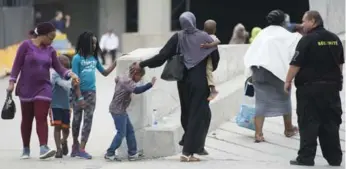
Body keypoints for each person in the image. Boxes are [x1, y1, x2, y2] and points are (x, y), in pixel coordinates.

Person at [134, 12, 220, 162]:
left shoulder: (178, 37)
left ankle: (191, 145)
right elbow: (215, 60)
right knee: (198, 114)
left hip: (183, 81)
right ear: (194, 21)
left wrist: (142, 64)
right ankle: (188, 151)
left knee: (187, 112)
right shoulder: (205, 37)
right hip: (200, 82)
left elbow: (161, 57)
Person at [6, 22, 78, 159]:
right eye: (51, 37)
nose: (52, 40)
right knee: (27, 119)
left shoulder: (50, 50)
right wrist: (12, 82)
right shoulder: (25, 46)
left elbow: (59, 68)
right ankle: (26, 149)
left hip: (44, 87)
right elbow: (16, 65)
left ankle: (43, 147)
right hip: (26, 87)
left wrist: (70, 74)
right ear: (43, 34)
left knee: (41, 116)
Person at [285, 10, 344, 166]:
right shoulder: (334, 39)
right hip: (331, 89)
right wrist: (339, 81)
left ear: (312, 21)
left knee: (308, 123)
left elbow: (296, 63)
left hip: (309, 90)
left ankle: (306, 157)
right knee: (331, 123)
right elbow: (340, 64)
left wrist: (287, 81)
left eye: (304, 21)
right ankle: (334, 158)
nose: (302, 24)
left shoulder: (307, 40)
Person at [243, 10, 302, 142]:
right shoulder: (287, 35)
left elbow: (251, 52)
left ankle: (258, 134)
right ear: (283, 21)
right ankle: (288, 129)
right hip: (279, 73)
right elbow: (296, 47)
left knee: (261, 101)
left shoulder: (262, 34)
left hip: (259, 71)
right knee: (285, 98)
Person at [71, 31, 117, 159]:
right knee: (76, 120)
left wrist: (116, 62)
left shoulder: (94, 59)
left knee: (88, 120)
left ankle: (82, 148)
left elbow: (105, 72)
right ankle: (75, 144)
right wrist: (79, 97)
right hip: (78, 93)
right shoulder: (76, 59)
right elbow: (75, 80)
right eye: (92, 43)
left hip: (91, 93)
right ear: (86, 43)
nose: (95, 45)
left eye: (96, 43)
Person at [104, 64, 156, 161]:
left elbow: (117, 78)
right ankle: (110, 153)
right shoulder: (127, 81)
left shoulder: (125, 76)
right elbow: (137, 90)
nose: (140, 79)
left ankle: (132, 153)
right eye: (140, 77)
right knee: (121, 133)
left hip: (121, 109)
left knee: (130, 131)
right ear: (135, 73)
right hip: (117, 110)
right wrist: (150, 84)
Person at [49, 55, 76, 158]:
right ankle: (58, 149)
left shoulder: (69, 74)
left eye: (67, 61)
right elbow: (64, 85)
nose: (67, 62)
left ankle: (63, 141)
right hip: (55, 105)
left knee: (66, 128)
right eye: (64, 61)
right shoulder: (55, 74)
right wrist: (73, 82)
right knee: (57, 127)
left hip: (66, 106)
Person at [200, 19, 221, 100]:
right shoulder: (204, 36)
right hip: (206, 57)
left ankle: (213, 90)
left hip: (209, 59)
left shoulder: (212, 37)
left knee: (208, 72)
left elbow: (218, 41)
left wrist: (208, 45)